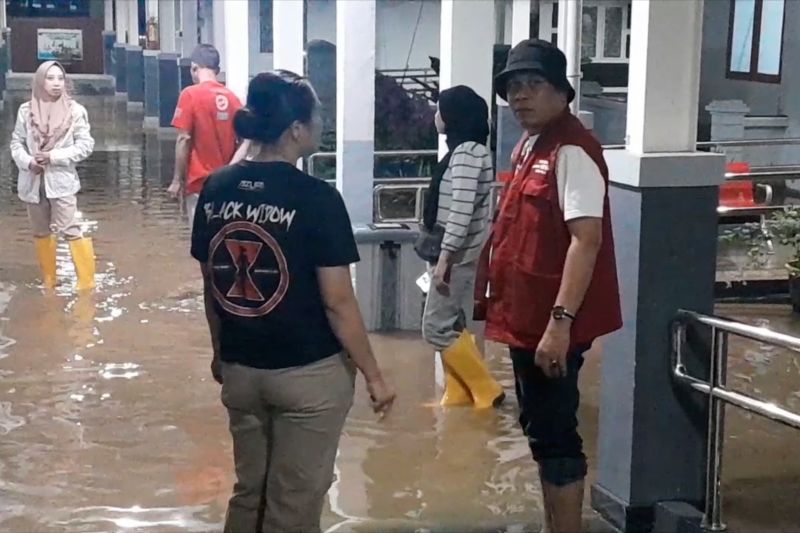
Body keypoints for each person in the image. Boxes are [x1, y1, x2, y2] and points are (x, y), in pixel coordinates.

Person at [190, 70, 395, 533]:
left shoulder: (216, 189)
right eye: (317, 114)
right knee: (294, 504)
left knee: (250, 494)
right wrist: (376, 376)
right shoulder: (317, 198)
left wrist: (221, 353)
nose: (321, 123)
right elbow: (338, 302)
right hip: (307, 375)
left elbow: (212, 286)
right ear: (296, 129)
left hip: (242, 370)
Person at [481, 39, 622, 532]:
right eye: (513, 87)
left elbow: (587, 241)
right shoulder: (528, 146)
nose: (520, 97)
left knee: (557, 434)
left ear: (561, 91)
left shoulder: (573, 151)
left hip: (551, 322)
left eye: (533, 85)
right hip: (526, 317)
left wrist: (560, 325)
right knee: (541, 429)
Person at [420, 85, 504, 409]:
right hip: (452, 253)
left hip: (454, 255)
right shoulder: (465, 150)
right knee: (453, 323)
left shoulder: (468, 153)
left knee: (435, 328)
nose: (436, 115)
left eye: (440, 109)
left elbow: (461, 210)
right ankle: (457, 393)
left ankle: (486, 387)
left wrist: (445, 260)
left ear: (454, 115)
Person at [10, 60, 96, 291]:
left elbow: (86, 145)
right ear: (40, 81)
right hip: (32, 183)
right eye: (50, 78)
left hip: (61, 183)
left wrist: (53, 157)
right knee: (40, 231)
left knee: (71, 229)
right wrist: (29, 162)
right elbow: (16, 143)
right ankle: (49, 281)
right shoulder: (25, 111)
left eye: (60, 79)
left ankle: (86, 284)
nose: (56, 83)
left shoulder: (75, 111)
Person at [168, 44, 242, 229]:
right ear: (217, 70)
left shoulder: (190, 95)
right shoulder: (234, 99)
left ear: (194, 68)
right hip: (227, 186)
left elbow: (183, 139)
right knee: (222, 240)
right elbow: (244, 142)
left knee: (202, 244)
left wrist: (177, 180)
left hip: (199, 184)